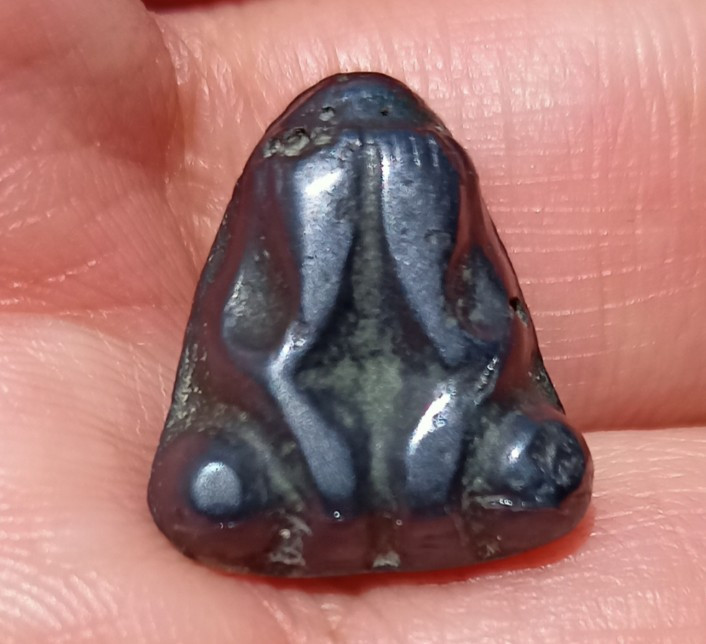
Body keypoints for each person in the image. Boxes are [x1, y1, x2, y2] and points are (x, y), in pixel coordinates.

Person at [1, 0, 704, 641]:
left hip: (432, 423)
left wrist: (434, 441)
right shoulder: (301, 182)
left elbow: (482, 343)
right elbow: (254, 350)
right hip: (294, 428)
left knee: (542, 471)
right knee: (211, 488)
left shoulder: (407, 173)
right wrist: (316, 437)